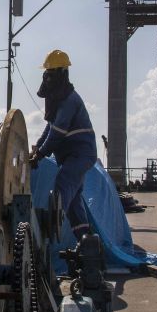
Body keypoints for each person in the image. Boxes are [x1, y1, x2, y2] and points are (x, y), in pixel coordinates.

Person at [28, 50, 97, 241]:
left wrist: (40, 154)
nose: (47, 77)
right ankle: (87, 243)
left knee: (64, 182)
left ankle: (49, 230)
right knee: (74, 203)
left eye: (51, 73)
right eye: (46, 73)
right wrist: (35, 151)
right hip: (71, 156)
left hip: (81, 154)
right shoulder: (58, 100)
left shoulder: (69, 100)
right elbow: (49, 129)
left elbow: (57, 133)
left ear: (62, 73)